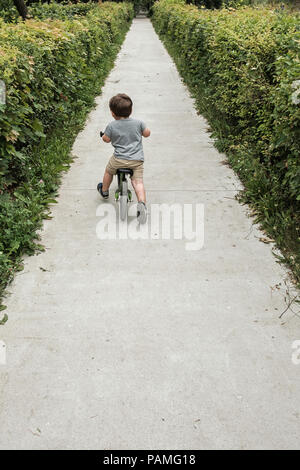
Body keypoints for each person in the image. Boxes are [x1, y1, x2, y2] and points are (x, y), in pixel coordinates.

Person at [98, 93, 151, 223]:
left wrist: (104, 135)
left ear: (112, 113)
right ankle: (142, 203)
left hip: (119, 160)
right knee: (138, 182)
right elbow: (147, 133)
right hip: (136, 161)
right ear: (131, 110)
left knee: (108, 171)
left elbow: (106, 139)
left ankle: (104, 190)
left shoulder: (111, 126)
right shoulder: (138, 123)